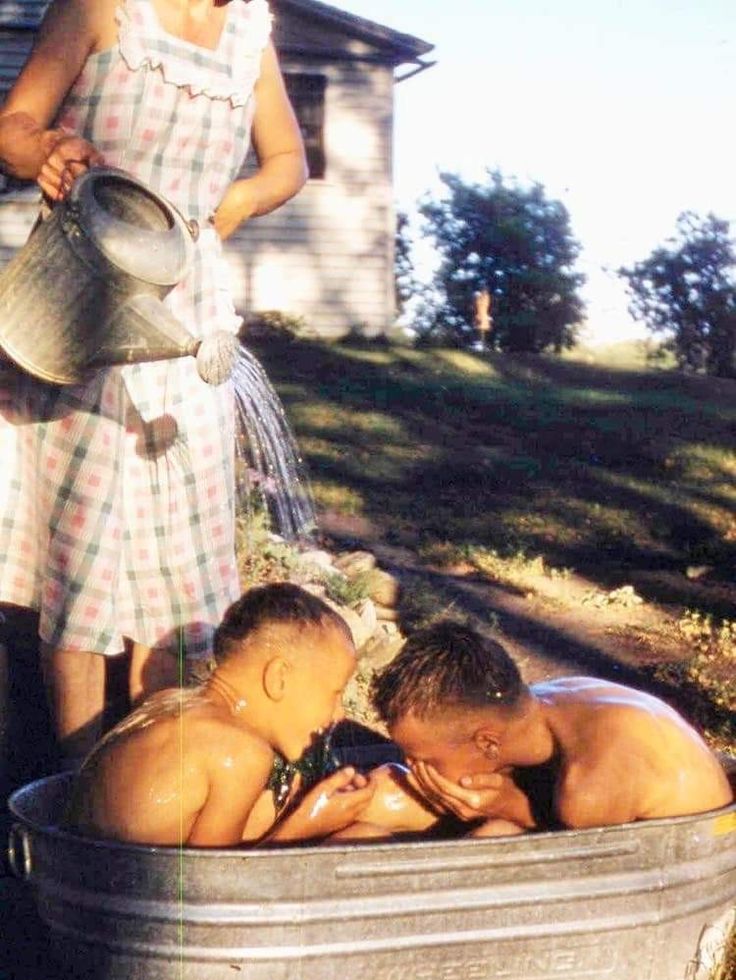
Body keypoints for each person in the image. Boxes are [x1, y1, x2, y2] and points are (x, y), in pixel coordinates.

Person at [0, 0, 307, 768]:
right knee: (85, 558)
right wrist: (44, 149)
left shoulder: (248, 36)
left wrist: (232, 205)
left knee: (181, 569)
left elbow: (287, 163)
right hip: (85, 302)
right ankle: (73, 793)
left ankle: (146, 790)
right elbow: (13, 126)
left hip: (190, 317)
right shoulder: (102, 9)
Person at [332, 621, 732, 841]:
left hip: (690, 849)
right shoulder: (530, 709)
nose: (410, 765)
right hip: (598, 814)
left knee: (494, 838)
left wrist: (504, 805)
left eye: (422, 758)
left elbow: (594, 859)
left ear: (487, 742)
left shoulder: (589, 787)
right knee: (387, 793)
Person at [65, 583, 376, 846]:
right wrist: (305, 824)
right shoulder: (239, 753)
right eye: (335, 693)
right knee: (365, 835)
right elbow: (214, 891)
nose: (340, 713)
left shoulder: (169, 702)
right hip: (127, 905)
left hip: (80, 872)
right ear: (279, 678)